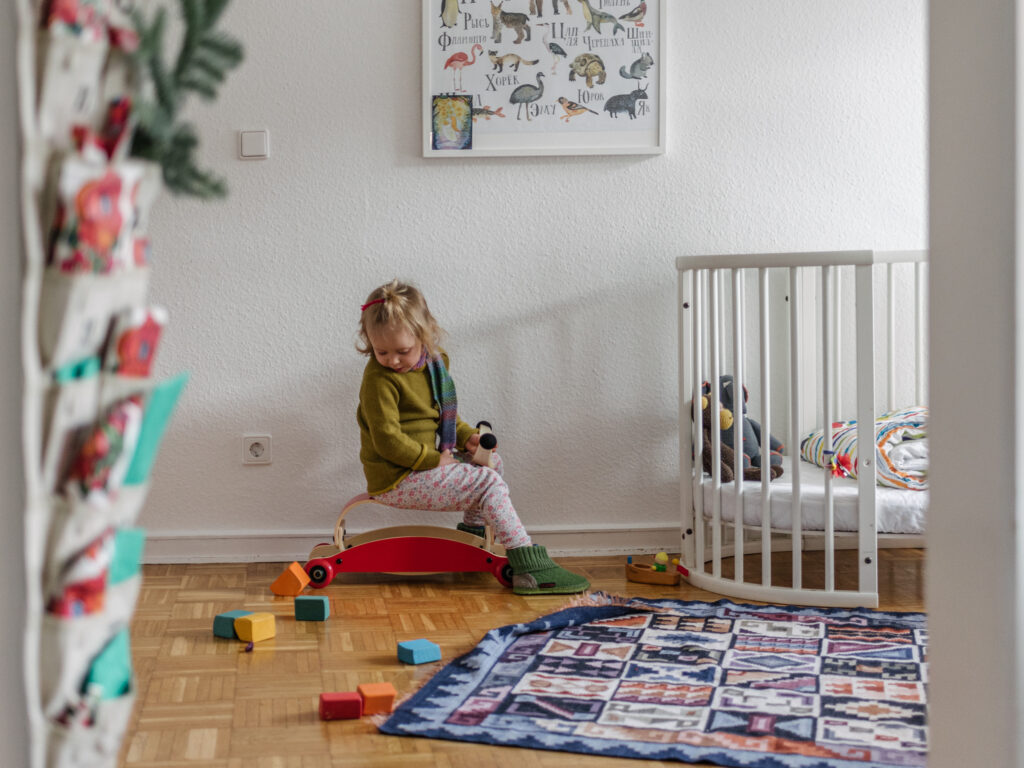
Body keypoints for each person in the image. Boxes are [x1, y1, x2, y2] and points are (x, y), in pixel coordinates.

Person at [355, 279, 589, 595]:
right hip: (398, 477)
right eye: (381, 351)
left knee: (492, 464)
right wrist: (433, 459)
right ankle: (529, 565)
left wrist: (467, 437)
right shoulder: (379, 381)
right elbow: (387, 440)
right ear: (369, 342)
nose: (393, 360)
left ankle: (472, 535)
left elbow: (442, 415)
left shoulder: (435, 366)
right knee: (487, 483)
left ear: (424, 335)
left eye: (403, 351)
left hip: (421, 465)